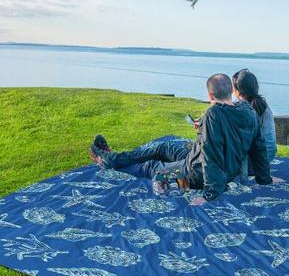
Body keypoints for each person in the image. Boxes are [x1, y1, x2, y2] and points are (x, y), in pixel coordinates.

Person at [88, 73, 270, 205]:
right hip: (197, 158)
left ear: (210, 95)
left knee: (152, 167)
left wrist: (209, 194)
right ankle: (113, 158)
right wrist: (264, 178)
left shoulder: (214, 114)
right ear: (231, 91)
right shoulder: (248, 111)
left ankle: (108, 161)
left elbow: (211, 155)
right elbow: (259, 147)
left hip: (196, 174)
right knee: (163, 147)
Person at [232, 69, 277, 171]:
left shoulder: (240, 109)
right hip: (266, 160)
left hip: (248, 164)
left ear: (238, 90)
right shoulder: (265, 107)